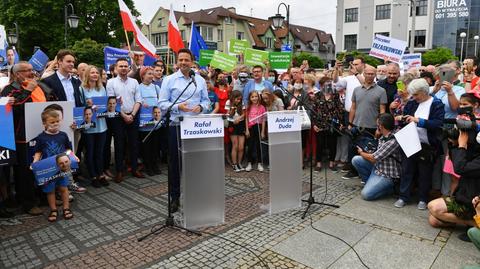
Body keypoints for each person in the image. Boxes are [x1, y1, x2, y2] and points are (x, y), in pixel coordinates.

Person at [158, 48, 210, 212]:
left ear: (192, 62)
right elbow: (162, 104)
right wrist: (177, 106)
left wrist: (201, 107)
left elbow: (207, 102)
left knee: (195, 161)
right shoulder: (169, 80)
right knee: (175, 164)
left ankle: (196, 194)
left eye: (186, 60)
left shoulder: (200, 80)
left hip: (195, 128)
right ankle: (175, 197)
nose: (183, 63)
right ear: (177, 61)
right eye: (180, 60)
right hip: (176, 126)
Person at [1, 62, 47, 216]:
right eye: (26, 70)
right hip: (20, 138)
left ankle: (43, 197)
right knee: (24, 171)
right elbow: (15, 110)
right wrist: (27, 91)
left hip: (39, 133)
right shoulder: (9, 90)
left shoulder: (36, 86)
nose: (31, 73)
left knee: (40, 166)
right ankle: (27, 203)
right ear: (16, 74)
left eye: (31, 70)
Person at [395, 79, 445, 209]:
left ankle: (423, 198)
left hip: (427, 145)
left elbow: (438, 124)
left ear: (424, 92)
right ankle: (403, 196)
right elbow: (406, 118)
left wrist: (419, 121)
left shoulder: (436, 104)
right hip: (410, 141)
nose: (414, 97)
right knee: (407, 170)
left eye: (416, 94)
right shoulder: (412, 103)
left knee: (425, 173)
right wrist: (401, 119)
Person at [428, 130, 480, 231]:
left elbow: (460, 168)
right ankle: (467, 222)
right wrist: (455, 144)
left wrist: (461, 146)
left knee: (433, 207)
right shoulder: (477, 150)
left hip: (473, 204)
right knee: (433, 220)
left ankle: (473, 223)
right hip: (464, 198)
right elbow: (459, 160)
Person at [32, 109, 78, 222]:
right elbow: (38, 152)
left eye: (57, 121)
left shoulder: (63, 135)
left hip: (62, 168)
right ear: (44, 123)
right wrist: (35, 162)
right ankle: (53, 209)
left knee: (64, 188)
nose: (55, 124)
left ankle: (66, 208)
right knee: (50, 190)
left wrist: (73, 156)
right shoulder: (41, 137)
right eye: (52, 122)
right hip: (49, 169)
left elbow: (68, 149)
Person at [343, 65, 387, 179]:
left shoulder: (381, 91)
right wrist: (350, 123)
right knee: (353, 149)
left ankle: (365, 174)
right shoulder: (357, 90)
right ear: (364, 74)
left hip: (372, 127)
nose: (370, 76)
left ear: (375, 75)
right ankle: (353, 171)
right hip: (356, 125)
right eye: (367, 73)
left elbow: (382, 111)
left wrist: (380, 128)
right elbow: (353, 107)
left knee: (368, 151)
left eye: (372, 74)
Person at [106, 58, 144, 181]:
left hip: (133, 116)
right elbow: (111, 102)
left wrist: (132, 115)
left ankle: (134, 168)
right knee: (119, 144)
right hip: (118, 117)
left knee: (134, 144)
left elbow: (138, 100)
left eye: (125, 66)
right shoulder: (111, 82)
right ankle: (119, 171)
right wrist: (124, 115)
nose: (123, 68)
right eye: (121, 66)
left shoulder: (134, 82)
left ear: (129, 68)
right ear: (116, 68)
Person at [352, 113, 403, 200]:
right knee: (356, 160)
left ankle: (390, 189)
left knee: (366, 195)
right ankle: (370, 184)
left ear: (381, 126)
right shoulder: (385, 134)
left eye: (378, 125)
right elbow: (376, 152)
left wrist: (361, 152)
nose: (377, 126)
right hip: (378, 168)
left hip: (387, 175)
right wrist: (376, 136)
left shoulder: (392, 141)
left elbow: (373, 158)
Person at [80, 65, 109, 188]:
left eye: (97, 72)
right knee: (90, 152)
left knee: (100, 152)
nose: (95, 75)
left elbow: (107, 104)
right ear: (87, 74)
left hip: (102, 125)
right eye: (92, 72)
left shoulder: (102, 88)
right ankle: (93, 176)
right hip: (90, 126)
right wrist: (88, 106)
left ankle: (100, 174)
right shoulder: (82, 89)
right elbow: (79, 106)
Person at [311, 77, 344, 171]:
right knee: (320, 144)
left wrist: (340, 122)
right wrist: (314, 124)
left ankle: (332, 163)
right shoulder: (317, 95)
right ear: (321, 86)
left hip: (332, 124)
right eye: (326, 84)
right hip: (320, 123)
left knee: (332, 144)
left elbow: (340, 109)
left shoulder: (335, 95)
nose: (328, 86)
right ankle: (318, 163)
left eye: (330, 84)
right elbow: (313, 111)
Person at [137, 66, 162, 176]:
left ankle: (155, 165)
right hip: (145, 123)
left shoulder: (156, 88)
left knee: (155, 146)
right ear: (143, 76)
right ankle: (148, 166)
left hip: (155, 123)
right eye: (149, 74)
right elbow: (137, 101)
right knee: (146, 147)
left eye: (152, 73)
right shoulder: (138, 88)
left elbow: (161, 101)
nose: (151, 76)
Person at [245, 91, 266, 172]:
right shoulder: (248, 107)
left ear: (259, 97)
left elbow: (264, 120)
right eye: (252, 97)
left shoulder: (262, 107)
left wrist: (263, 131)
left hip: (259, 127)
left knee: (258, 146)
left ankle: (259, 163)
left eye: (256, 96)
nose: (254, 98)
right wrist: (247, 129)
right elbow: (246, 119)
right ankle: (249, 163)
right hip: (251, 128)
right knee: (250, 146)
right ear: (250, 98)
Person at [226, 91, 246, 172]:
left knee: (241, 146)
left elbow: (244, 114)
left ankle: (239, 163)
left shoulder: (242, 103)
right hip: (232, 124)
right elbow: (228, 115)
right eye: (237, 99)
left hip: (240, 124)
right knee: (235, 145)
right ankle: (234, 164)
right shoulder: (228, 102)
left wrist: (239, 118)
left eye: (240, 99)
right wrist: (232, 110)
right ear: (233, 98)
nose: (238, 101)